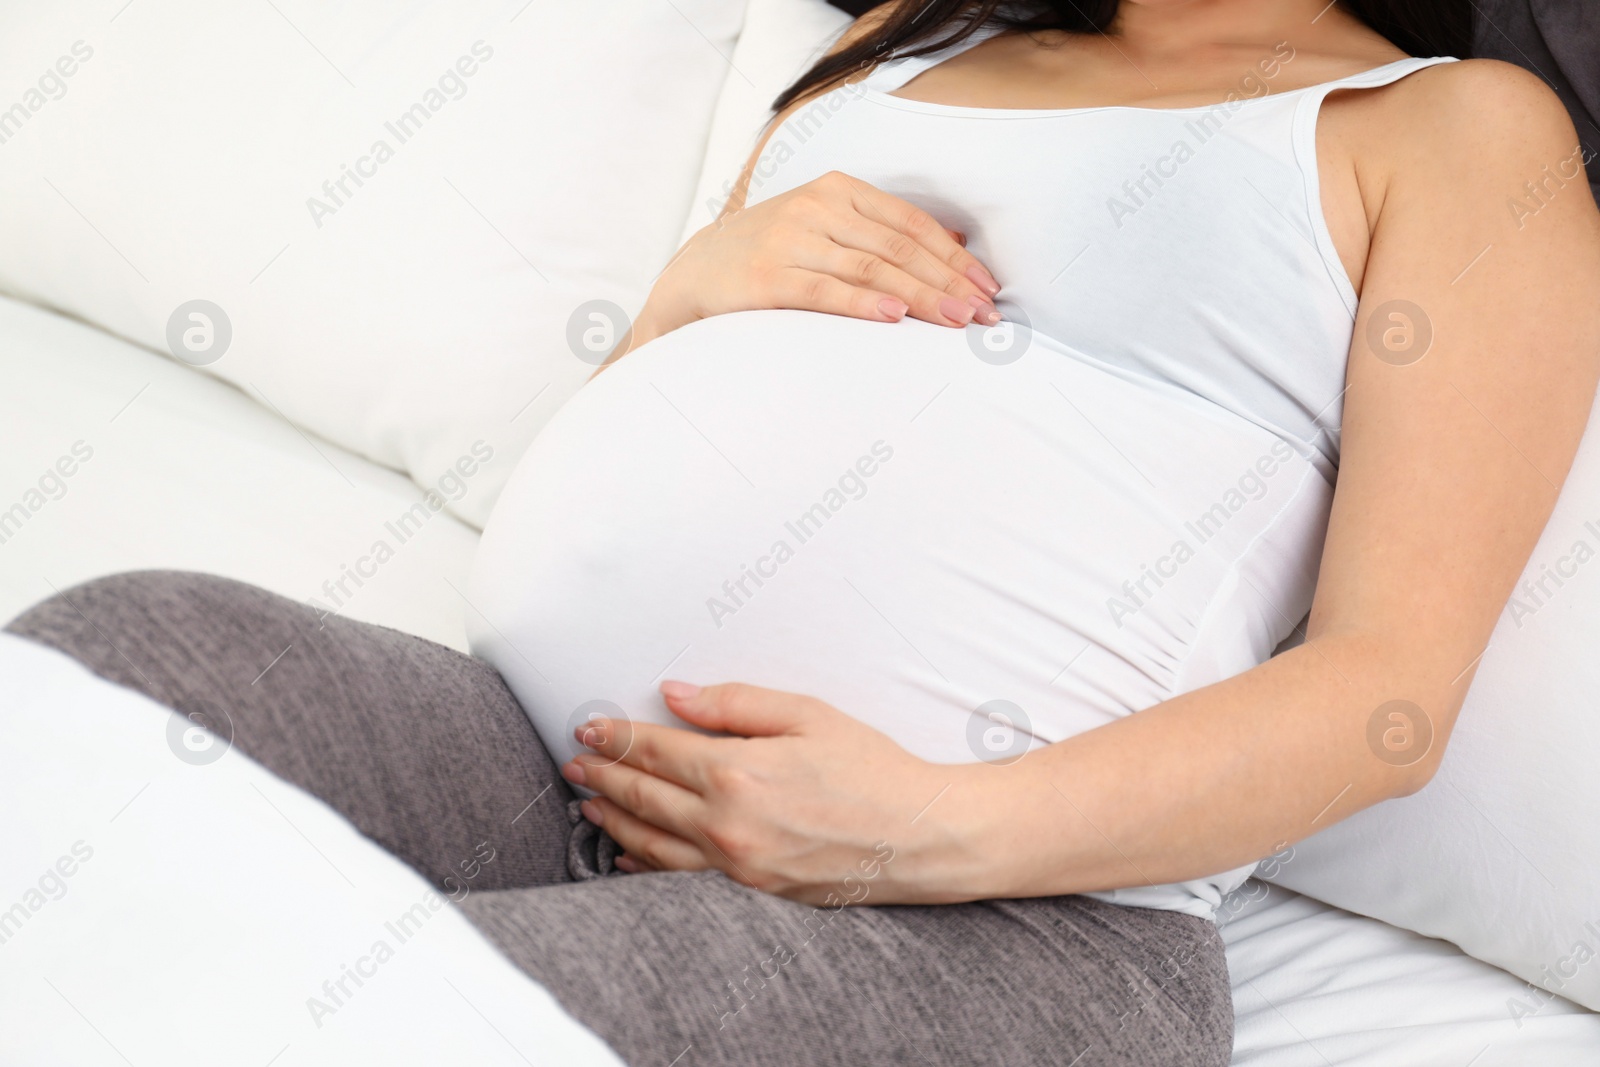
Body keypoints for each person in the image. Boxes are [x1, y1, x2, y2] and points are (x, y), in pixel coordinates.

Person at [11, 2, 1599, 1064]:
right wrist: (701, 285)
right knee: (124, 661)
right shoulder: (908, 37)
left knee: (386, 1019)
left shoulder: (1456, 132)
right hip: (568, 759)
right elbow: (650, 420)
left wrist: (905, 833)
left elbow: (1392, 693)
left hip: (1009, 923)